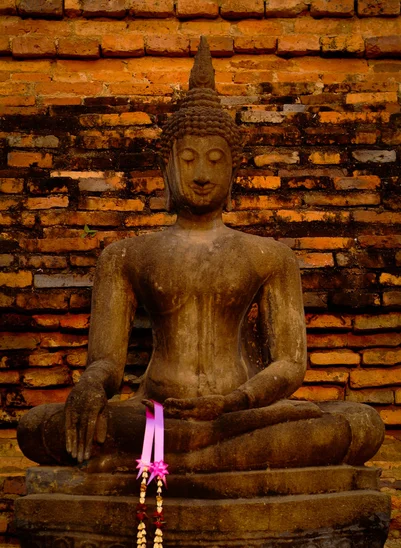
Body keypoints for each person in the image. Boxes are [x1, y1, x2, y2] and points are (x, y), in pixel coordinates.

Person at [18, 38, 384, 474]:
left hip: (239, 415)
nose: (203, 174)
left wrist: (235, 401)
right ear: (167, 168)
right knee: (37, 426)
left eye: (216, 160)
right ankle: (212, 466)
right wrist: (91, 385)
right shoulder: (124, 256)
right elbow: (107, 362)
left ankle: (184, 463)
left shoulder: (270, 256)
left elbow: (289, 362)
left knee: (361, 423)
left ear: (235, 171)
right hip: (156, 414)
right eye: (188, 159)